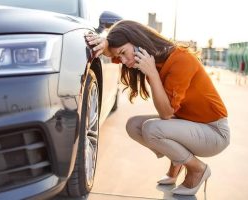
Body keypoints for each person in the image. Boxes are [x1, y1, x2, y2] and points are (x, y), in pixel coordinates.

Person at [85, 20, 230, 196]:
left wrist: (152, 73)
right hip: (190, 124)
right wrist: (105, 41)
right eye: (120, 56)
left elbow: (166, 113)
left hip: (214, 132)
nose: (123, 61)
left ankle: (197, 169)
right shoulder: (150, 58)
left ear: (138, 42)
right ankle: (177, 162)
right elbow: (110, 51)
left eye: (123, 54)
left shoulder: (181, 59)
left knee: (152, 129)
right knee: (133, 125)